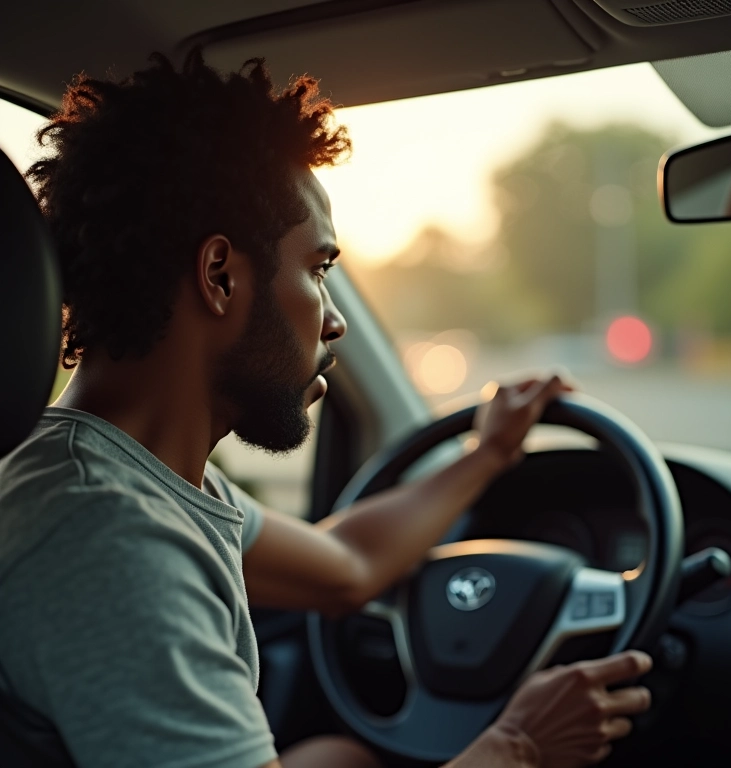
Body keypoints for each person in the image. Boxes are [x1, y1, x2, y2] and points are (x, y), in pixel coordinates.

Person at [0, 50, 652, 768]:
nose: (334, 319)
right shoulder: (108, 536)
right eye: (317, 269)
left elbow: (350, 565)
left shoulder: (128, 479)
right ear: (221, 275)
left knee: (343, 758)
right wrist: (521, 746)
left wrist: (489, 454)